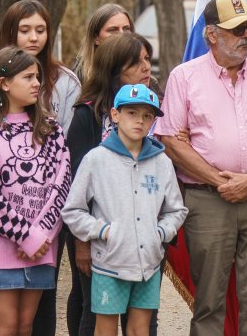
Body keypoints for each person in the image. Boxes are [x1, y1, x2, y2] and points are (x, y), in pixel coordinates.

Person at [155, 0, 247, 336]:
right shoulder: (183, 77)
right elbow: (171, 139)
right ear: (212, 34)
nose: (246, 36)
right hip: (207, 198)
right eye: (236, 30)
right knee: (210, 300)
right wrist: (221, 182)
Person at [0, 0, 81, 336]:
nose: (37, 84)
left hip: (43, 244)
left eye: (38, 77)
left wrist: (43, 233)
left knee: (26, 325)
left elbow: (62, 184)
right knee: (3, 327)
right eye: (28, 78)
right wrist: (25, 234)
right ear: (2, 83)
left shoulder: (51, 129)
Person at [62, 83, 188, 336]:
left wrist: (161, 233)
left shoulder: (161, 162)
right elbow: (72, 210)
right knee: (105, 329)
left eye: (147, 115)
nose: (140, 121)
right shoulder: (96, 160)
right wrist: (104, 231)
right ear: (115, 115)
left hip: (148, 265)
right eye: (132, 113)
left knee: (140, 329)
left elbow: (177, 210)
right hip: (110, 264)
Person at [65, 33, 156, 336]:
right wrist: (83, 243)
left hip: (143, 238)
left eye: (147, 59)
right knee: (97, 317)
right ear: (116, 69)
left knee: (142, 319)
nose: (147, 67)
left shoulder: (152, 109)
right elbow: (77, 187)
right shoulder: (87, 115)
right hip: (100, 239)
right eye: (137, 62)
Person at [0, 0, 81, 132]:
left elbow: (71, 140)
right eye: (24, 31)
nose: (34, 38)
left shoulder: (66, 81)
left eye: (40, 31)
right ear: (9, 32)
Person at [73, 4, 133, 82]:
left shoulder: (141, 72)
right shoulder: (77, 77)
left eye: (126, 29)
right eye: (113, 30)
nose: (122, 35)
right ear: (96, 37)